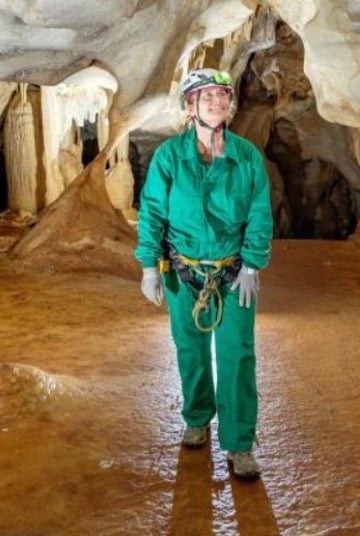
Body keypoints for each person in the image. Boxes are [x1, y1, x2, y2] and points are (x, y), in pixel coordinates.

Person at [135, 67, 274, 480]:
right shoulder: (170, 157)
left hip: (232, 273)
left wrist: (252, 264)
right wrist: (149, 266)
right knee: (189, 349)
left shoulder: (246, 156)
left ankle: (239, 443)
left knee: (237, 354)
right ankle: (197, 417)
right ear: (190, 106)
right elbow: (153, 213)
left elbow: (259, 214)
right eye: (206, 96)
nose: (216, 102)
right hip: (184, 270)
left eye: (222, 96)